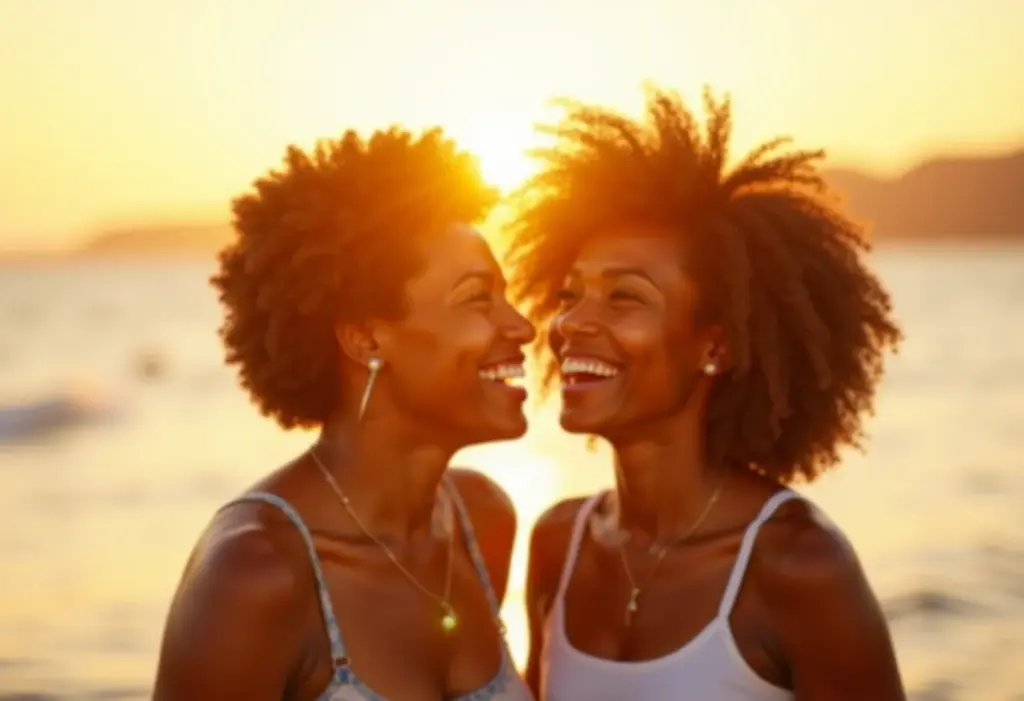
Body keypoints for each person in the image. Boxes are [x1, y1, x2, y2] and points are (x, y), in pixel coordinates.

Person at [504, 87, 907, 701]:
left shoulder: (797, 566)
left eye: (626, 297)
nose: (571, 324)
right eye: (570, 295)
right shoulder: (559, 542)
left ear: (714, 347)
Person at [153, 127, 537, 701]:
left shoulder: (480, 523)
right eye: (478, 298)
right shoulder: (256, 575)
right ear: (365, 339)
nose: (522, 327)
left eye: (505, 296)